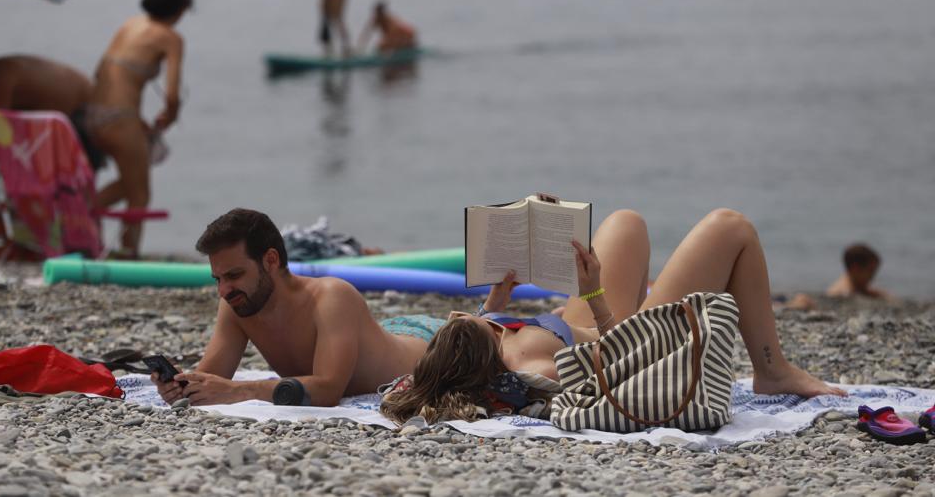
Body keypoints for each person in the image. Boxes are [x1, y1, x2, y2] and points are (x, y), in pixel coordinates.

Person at [381, 209, 847, 424]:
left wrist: (496, 304)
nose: (469, 311)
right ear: (482, 348)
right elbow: (624, 362)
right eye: (474, 317)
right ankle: (773, 371)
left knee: (626, 222)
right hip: (635, 336)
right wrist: (594, 295)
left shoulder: (487, 351)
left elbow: (474, 352)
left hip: (582, 322)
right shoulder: (534, 371)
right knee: (732, 228)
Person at [151, 208, 444, 407]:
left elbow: (329, 390)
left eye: (234, 275)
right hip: (383, 335)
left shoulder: (330, 297)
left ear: (271, 260)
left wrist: (239, 391)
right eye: (218, 279)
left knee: (488, 328)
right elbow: (213, 379)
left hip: (432, 345)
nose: (223, 290)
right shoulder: (238, 304)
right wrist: (182, 386)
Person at [89, 0, 192, 257]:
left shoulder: (129, 24)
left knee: (129, 184)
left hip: (93, 114)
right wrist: (169, 117)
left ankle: (77, 212)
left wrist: (134, 119)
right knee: (140, 193)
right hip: (120, 118)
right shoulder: (171, 38)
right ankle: (127, 252)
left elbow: (101, 72)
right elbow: (172, 95)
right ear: (183, 7)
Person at [826, 243, 890, 300]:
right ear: (855, 268)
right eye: (871, 271)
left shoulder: (857, 287)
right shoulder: (841, 294)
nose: (873, 276)